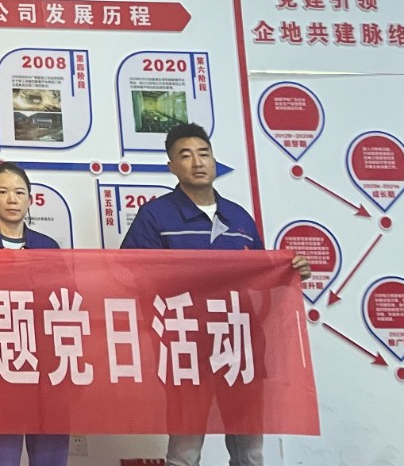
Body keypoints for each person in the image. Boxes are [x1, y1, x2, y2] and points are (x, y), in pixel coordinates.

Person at [121, 123, 311, 466]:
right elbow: (133, 273)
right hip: (186, 345)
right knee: (185, 450)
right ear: (171, 166)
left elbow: (260, 277)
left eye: (204, 154)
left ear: (213, 160)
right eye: (185, 155)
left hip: (240, 343)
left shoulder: (239, 217)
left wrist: (290, 271)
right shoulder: (155, 215)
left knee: (249, 450)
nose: (197, 162)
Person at [0, 162, 68, 466]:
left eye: (19, 192)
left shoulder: (47, 247)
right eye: (3, 192)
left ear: (30, 199)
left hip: (48, 364)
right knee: (1, 456)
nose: (12, 199)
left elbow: (64, 298)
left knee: (50, 455)